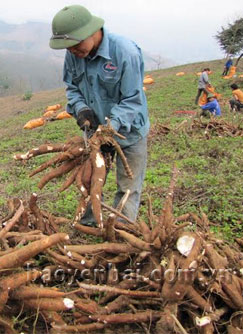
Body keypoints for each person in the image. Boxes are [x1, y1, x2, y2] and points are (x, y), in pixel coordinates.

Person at [49, 5, 149, 224]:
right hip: (93, 132)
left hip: (128, 133)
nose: (73, 51)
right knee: (88, 179)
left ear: (92, 31)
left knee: (128, 187)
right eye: (68, 47)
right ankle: (89, 223)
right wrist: (81, 108)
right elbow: (72, 88)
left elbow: (133, 100)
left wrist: (111, 127)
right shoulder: (74, 54)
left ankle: (120, 230)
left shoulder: (125, 53)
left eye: (76, 44)